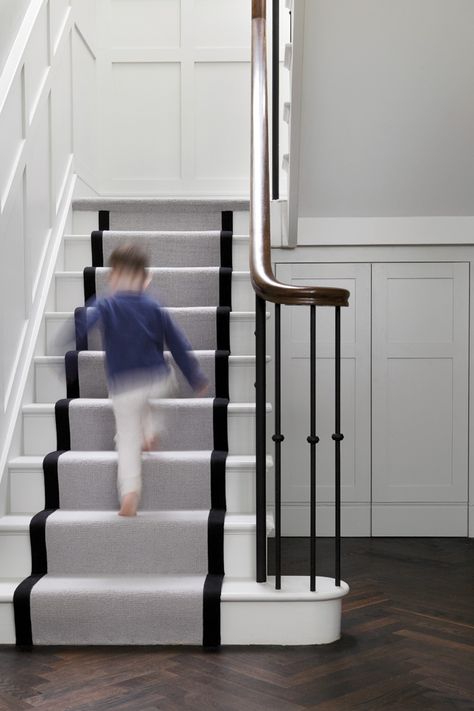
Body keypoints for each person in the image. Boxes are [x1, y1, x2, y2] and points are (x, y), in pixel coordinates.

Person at [81, 244, 208, 517]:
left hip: (122, 385)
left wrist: (70, 348)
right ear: (144, 279)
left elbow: (81, 324)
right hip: (156, 378)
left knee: (126, 439)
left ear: (113, 277)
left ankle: (130, 493)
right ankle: (150, 432)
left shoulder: (105, 303)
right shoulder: (154, 304)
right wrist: (195, 376)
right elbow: (178, 343)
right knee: (153, 397)